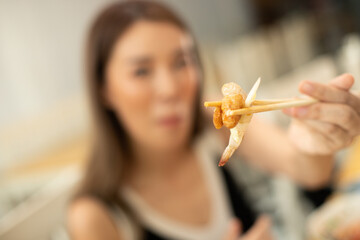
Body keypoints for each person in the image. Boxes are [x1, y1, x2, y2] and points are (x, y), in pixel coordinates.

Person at [67, 1, 360, 239]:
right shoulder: (95, 216)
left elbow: (306, 168)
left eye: (181, 62)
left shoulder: (211, 120)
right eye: (142, 71)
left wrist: (316, 140)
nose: (171, 89)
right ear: (103, 88)